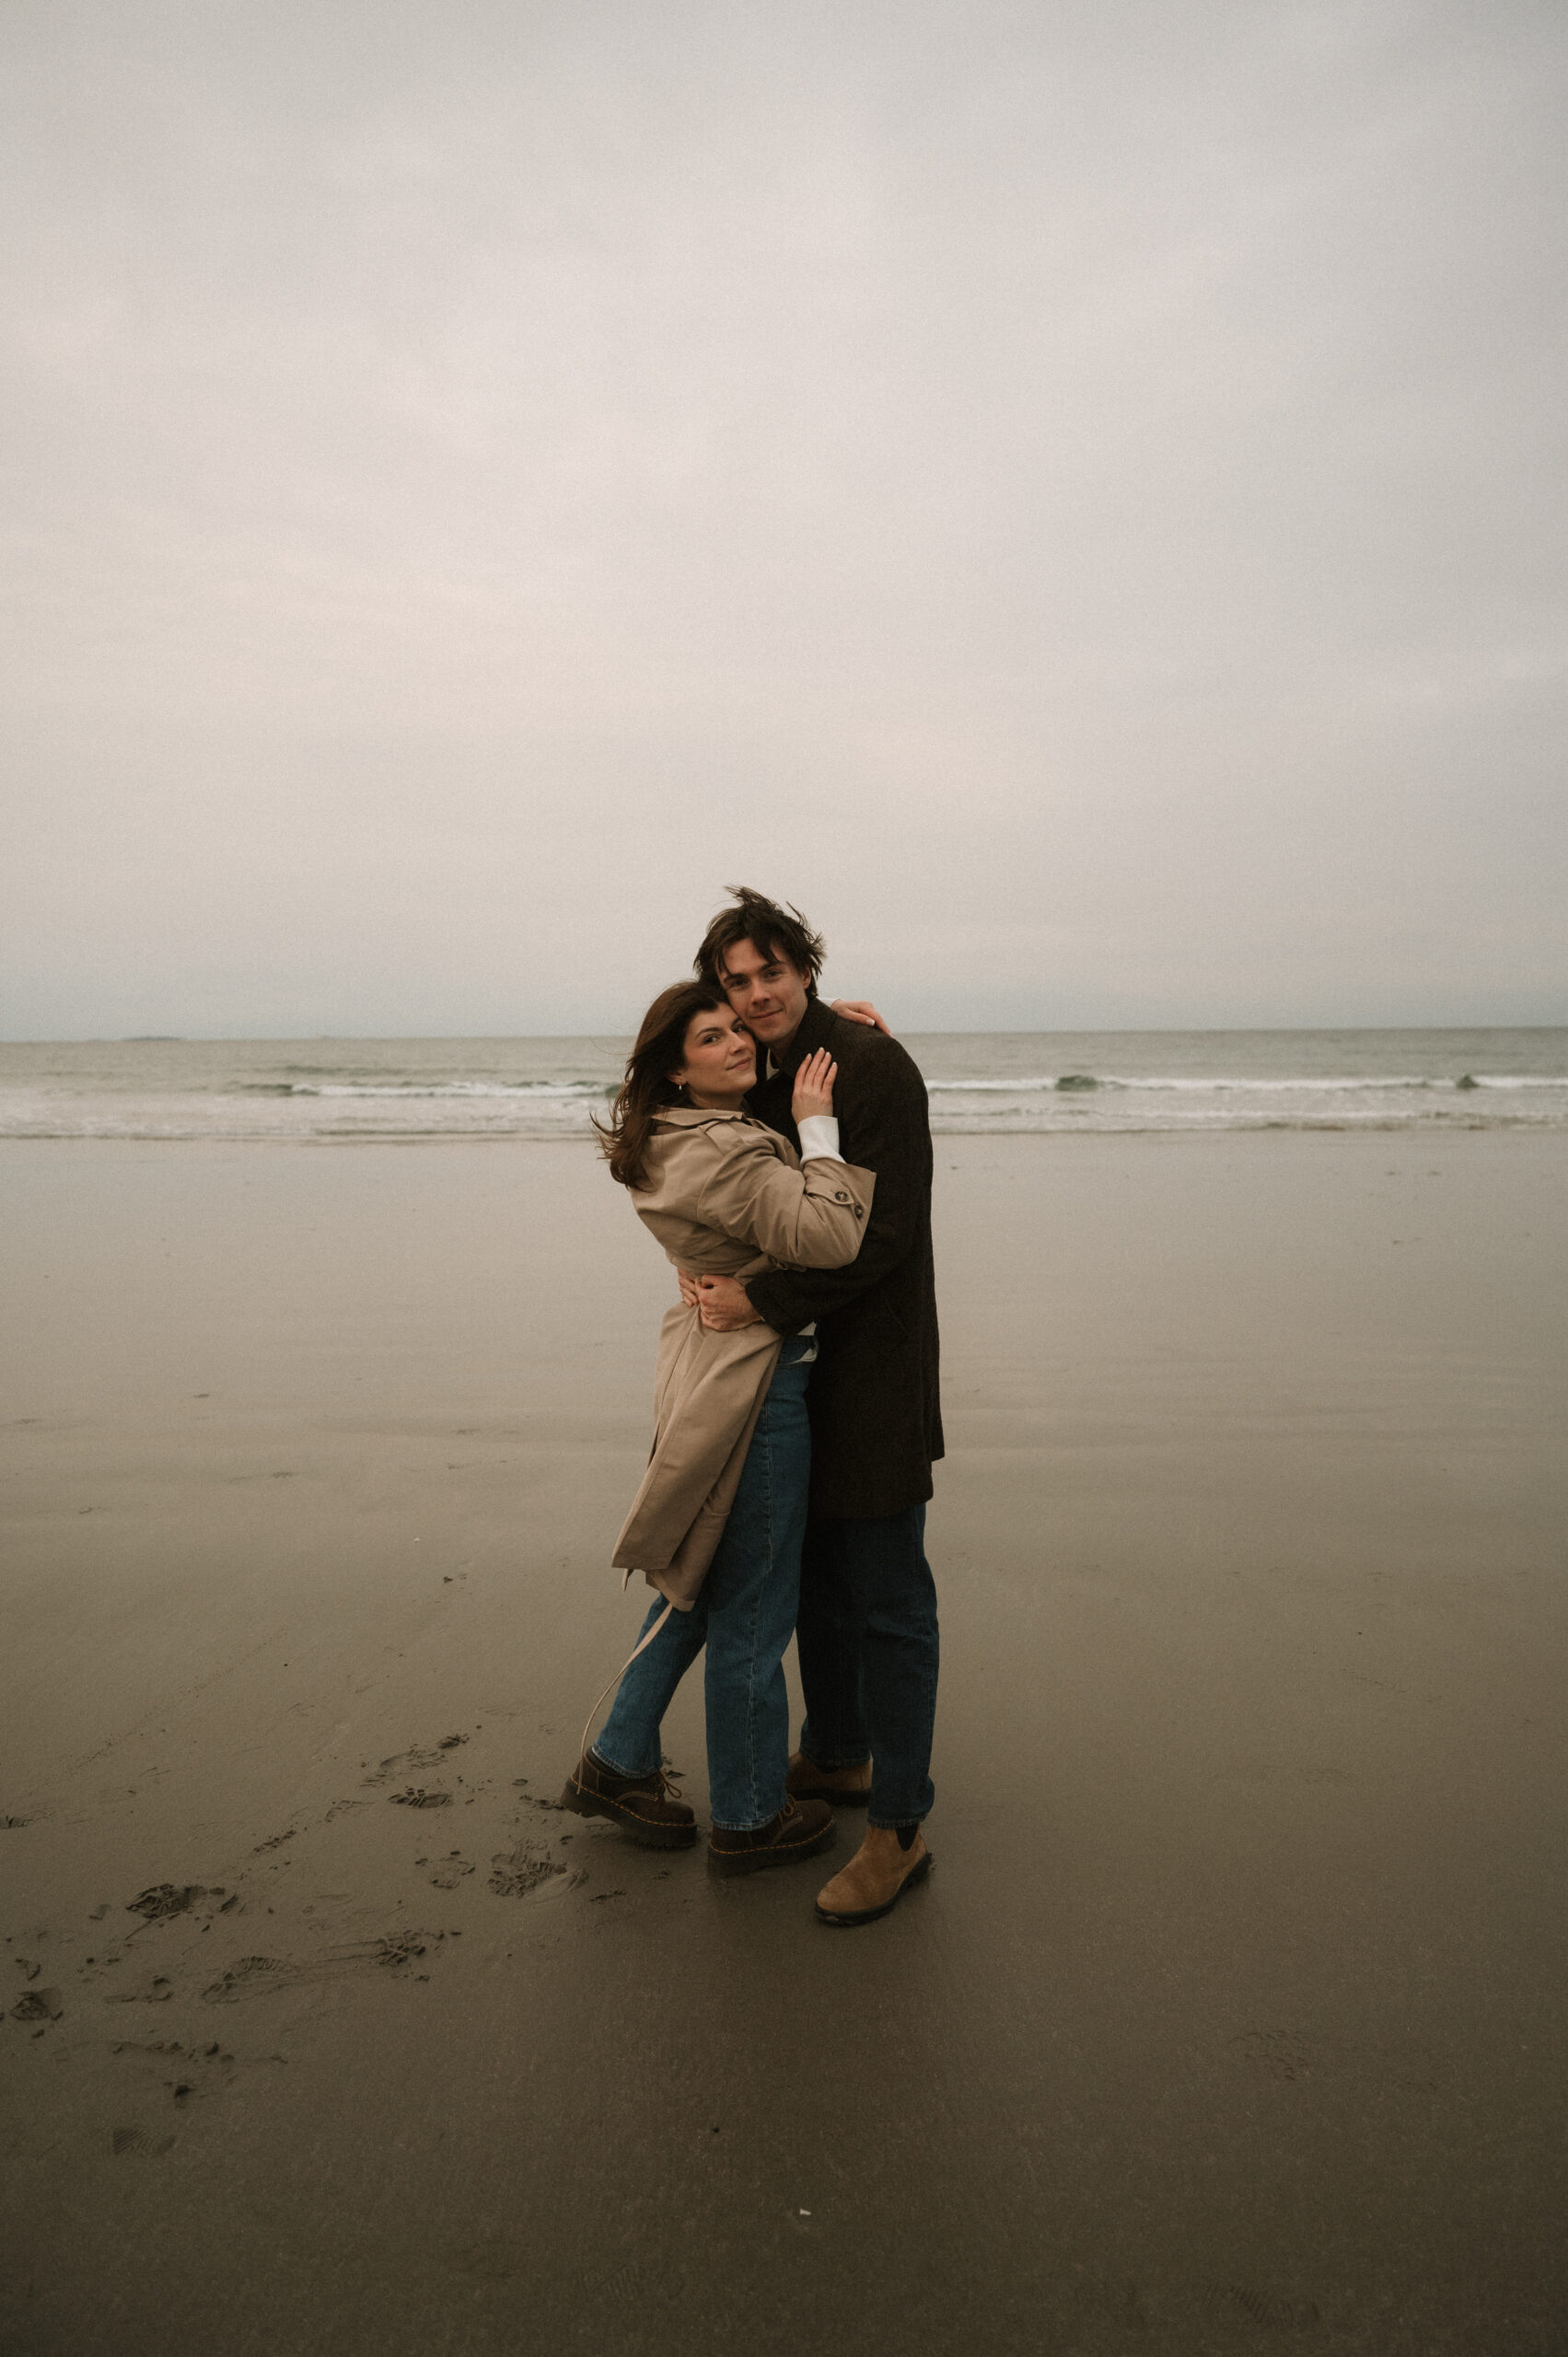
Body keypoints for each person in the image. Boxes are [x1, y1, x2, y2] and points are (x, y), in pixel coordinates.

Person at [562, 978, 877, 1877]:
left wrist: (830, 1023)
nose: (738, 1042)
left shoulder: (670, 1136)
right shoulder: (726, 1153)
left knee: (696, 1584)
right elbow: (829, 1236)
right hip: (756, 1388)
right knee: (754, 1606)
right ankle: (747, 1815)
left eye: (739, 1028)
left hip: (708, 1371)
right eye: (712, 1037)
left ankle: (616, 1759)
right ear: (675, 1068)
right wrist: (817, 1127)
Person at [687, 888, 941, 1929]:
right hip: (786, 1377)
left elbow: (882, 1235)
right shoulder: (754, 1075)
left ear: (805, 967)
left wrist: (761, 1301)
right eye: (736, 983)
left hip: (870, 1368)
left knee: (887, 1598)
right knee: (816, 1584)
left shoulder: (873, 1068)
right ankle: (837, 1753)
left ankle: (900, 1826)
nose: (755, 996)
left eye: (771, 973)